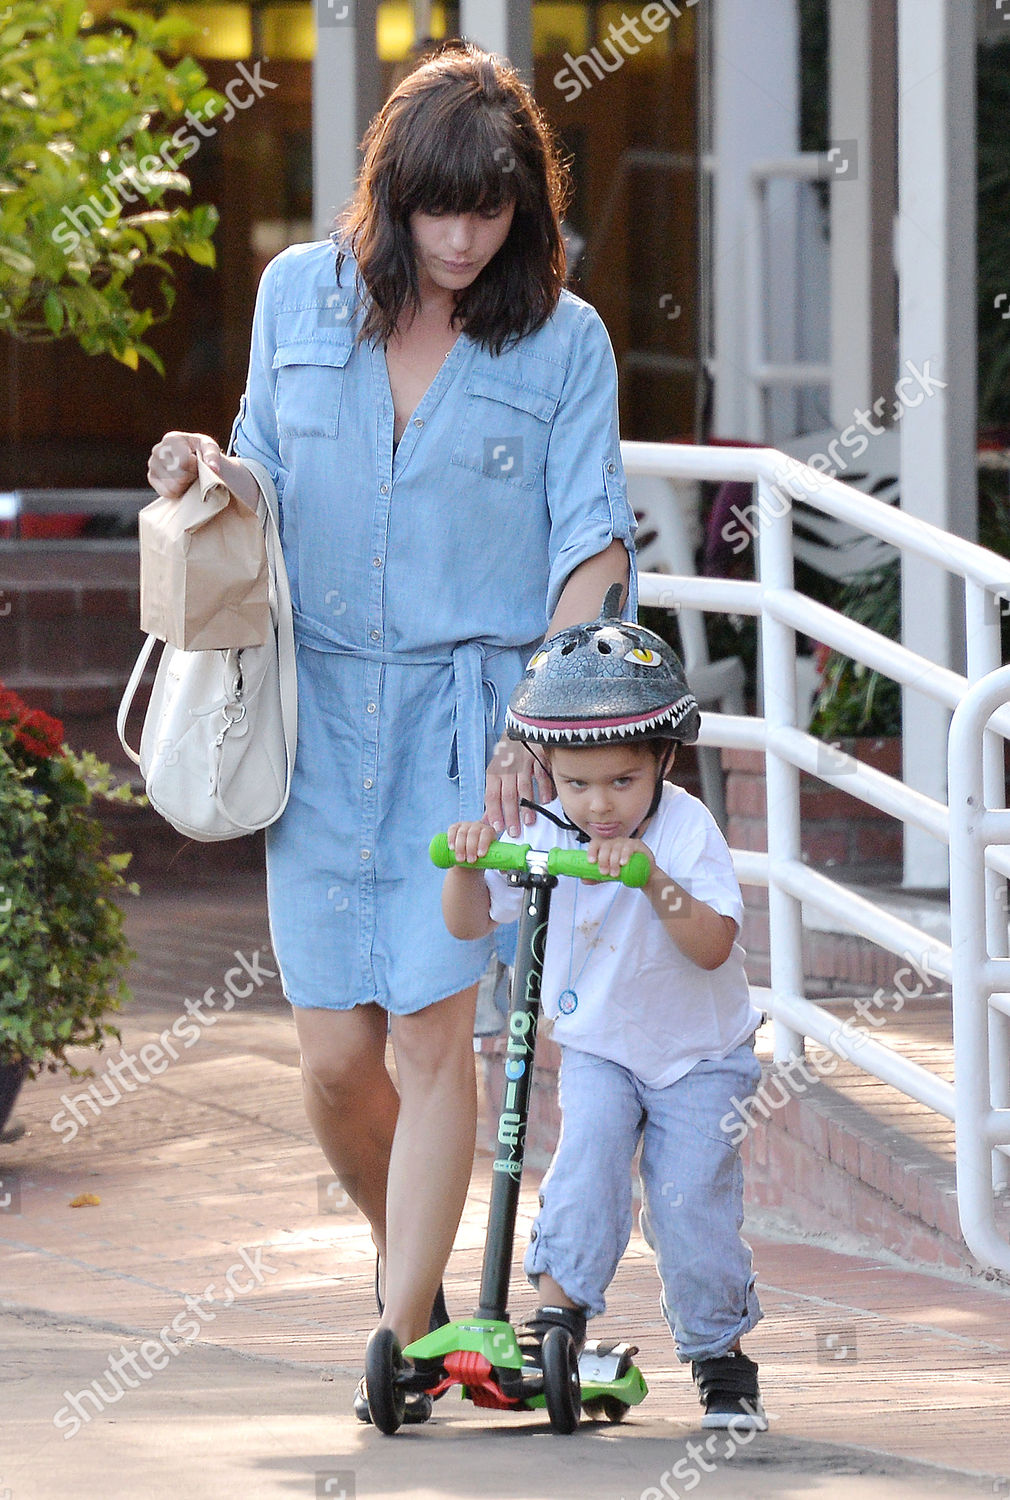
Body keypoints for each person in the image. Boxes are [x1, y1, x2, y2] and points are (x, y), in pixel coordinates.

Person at [145, 43, 634, 1424]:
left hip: (472, 725)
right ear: (391, 196)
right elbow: (261, 467)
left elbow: (590, 546)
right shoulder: (296, 296)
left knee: (430, 1041)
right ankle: (415, 1298)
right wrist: (205, 469)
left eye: (489, 211)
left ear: (522, 208)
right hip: (318, 713)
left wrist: (536, 719)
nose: (461, 240)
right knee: (331, 1061)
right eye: (437, 210)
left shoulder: (563, 339)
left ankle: (392, 1344)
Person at [440, 588, 768, 1430]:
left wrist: (651, 880)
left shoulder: (685, 830)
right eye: (578, 784)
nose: (599, 806)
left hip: (700, 1057)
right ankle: (559, 1317)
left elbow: (713, 945)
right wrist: (468, 863)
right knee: (583, 1164)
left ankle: (719, 1357)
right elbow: (469, 924)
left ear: (663, 761)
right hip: (600, 1050)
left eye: (623, 781)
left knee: (689, 1204)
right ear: (548, 770)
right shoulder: (548, 830)